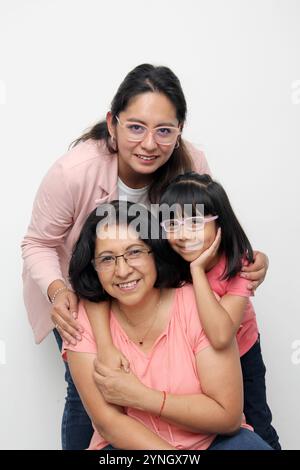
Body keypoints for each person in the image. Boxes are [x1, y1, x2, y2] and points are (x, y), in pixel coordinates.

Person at [21, 64, 269, 449]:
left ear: (180, 132)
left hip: (195, 306)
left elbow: (216, 233)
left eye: (165, 131)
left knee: (248, 422)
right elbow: (38, 242)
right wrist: (58, 291)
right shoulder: (74, 173)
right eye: (136, 127)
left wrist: (250, 260)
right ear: (112, 124)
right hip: (87, 298)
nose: (150, 144)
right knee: (91, 403)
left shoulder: (191, 165)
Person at [64, 200, 272, 450]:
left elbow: (227, 417)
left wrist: (140, 397)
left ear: (156, 252)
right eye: (107, 259)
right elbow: (108, 422)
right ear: (94, 267)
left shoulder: (197, 305)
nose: (122, 270)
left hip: (212, 443)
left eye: (134, 252)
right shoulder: (82, 323)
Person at [156, 172, 281, 449]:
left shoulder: (240, 265)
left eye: (196, 223)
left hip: (241, 354)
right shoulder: (164, 262)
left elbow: (220, 335)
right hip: (192, 360)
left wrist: (197, 271)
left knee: (257, 423)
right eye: (173, 223)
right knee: (205, 428)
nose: (184, 233)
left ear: (220, 223)